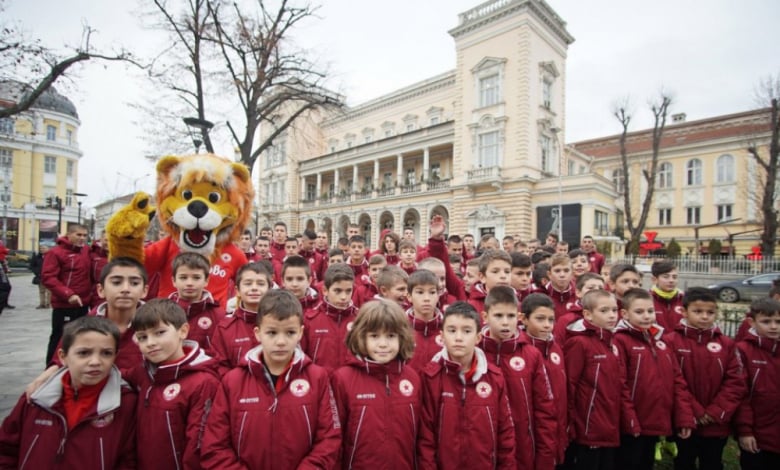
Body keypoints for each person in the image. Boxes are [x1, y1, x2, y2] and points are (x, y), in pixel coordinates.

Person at [201, 290, 341, 469]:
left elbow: (328, 439)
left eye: (290, 332)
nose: (281, 341)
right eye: (272, 333)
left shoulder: (317, 378)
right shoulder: (232, 381)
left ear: (300, 333)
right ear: (258, 333)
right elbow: (215, 446)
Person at [0, 316, 137, 469]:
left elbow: (128, 460)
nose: (95, 362)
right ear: (63, 357)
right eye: (84, 353)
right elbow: (6, 448)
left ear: (115, 356)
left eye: (106, 353)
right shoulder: (36, 398)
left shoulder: (125, 403)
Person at [418, 301, 515, 469]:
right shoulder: (430, 377)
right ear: (441, 336)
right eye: (452, 330)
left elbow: (505, 433)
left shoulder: (494, 377)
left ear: (478, 337)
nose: (458, 337)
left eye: (467, 331)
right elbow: (425, 438)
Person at [126, 298, 220, 469]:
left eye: (159, 333)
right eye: (142, 337)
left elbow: (197, 447)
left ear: (183, 331)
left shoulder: (203, 382)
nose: (151, 343)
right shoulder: (142, 374)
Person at [331, 299, 421, 469]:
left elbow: (420, 437)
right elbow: (334, 439)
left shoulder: (412, 378)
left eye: (391, 336)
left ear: (402, 337)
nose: (383, 344)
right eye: (374, 336)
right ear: (360, 336)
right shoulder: (343, 379)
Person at [663, 287, 746, 470]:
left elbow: (736, 382)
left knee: (713, 461)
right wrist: (695, 411)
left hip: (716, 422)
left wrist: (716, 411)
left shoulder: (727, 344)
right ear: (684, 312)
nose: (704, 316)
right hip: (685, 419)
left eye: (710, 312)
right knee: (684, 461)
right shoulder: (671, 341)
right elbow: (672, 380)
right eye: (698, 311)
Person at [613, 288, 694, 470]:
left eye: (650, 311)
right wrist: (630, 420)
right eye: (639, 312)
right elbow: (620, 384)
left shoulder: (660, 341)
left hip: (655, 420)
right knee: (629, 462)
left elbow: (677, 381)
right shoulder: (620, 341)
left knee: (646, 462)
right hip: (632, 424)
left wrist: (683, 417)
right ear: (624, 314)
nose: (646, 316)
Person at [479, 285, 557, 469]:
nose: (505, 322)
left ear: (519, 317)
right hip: (484, 448)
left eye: (511, 316)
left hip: (522, 446)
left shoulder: (531, 355)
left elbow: (544, 409)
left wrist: (545, 457)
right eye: (498, 316)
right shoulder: (474, 353)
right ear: (485, 317)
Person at [565, 289, 639, 470]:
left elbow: (620, 384)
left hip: (609, 426)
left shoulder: (612, 342)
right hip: (588, 427)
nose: (612, 315)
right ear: (588, 315)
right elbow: (569, 386)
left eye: (614, 310)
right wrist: (570, 424)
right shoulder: (579, 343)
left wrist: (630, 420)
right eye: (604, 311)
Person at [522, 293, 569, 468]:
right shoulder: (523, 351)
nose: (547, 325)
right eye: (540, 319)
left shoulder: (555, 348)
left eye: (551, 320)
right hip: (533, 432)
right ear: (525, 319)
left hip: (557, 429)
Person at [735, 297, 780, 470]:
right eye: (766, 321)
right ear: (751, 322)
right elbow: (741, 394)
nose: (774, 326)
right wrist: (744, 431)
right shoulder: (743, 350)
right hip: (756, 433)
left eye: (778, 321)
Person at [41, 223, 93, 365]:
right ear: (69, 235)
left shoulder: (86, 251)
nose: (82, 238)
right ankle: (51, 367)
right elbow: (48, 277)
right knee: (60, 337)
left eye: (84, 235)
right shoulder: (56, 252)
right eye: (78, 235)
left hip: (83, 303)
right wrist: (68, 294)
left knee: (80, 337)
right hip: (64, 304)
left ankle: (74, 365)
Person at [211, 262, 272, 376]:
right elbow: (219, 366)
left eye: (260, 284)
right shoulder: (225, 328)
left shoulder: (280, 322)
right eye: (248, 284)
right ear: (237, 291)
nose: (254, 288)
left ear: (269, 289)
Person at [301, 263, 358, 374]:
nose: (343, 297)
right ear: (325, 291)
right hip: (320, 383)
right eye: (337, 291)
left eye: (348, 291)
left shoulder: (360, 319)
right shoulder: (310, 319)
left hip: (351, 385)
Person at [169, 252, 226, 354]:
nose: (189, 283)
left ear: (206, 281)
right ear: (173, 281)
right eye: (183, 277)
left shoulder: (219, 315)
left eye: (196, 278)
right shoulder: (162, 313)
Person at [405, 269, 443, 372]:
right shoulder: (399, 328)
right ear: (409, 296)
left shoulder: (447, 328)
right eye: (420, 292)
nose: (426, 298)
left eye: (432, 292)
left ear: (438, 296)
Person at [469, 249, 512, 315]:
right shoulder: (471, 307)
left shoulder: (517, 304)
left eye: (507, 272)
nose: (503, 276)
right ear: (482, 277)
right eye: (495, 271)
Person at [650, 260, 685, 330]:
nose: (671, 280)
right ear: (654, 279)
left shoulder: (685, 299)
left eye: (674, 277)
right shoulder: (646, 299)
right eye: (666, 277)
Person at [544, 253, 577, 319]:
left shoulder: (579, 295)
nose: (562, 275)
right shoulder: (541, 295)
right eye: (557, 271)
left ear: (572, 274)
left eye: (566, 270)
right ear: (549, 274)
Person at [30, 243, 51, 309]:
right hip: (40, 276)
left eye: (44, 248)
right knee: (42, 291)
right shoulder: (37, 257)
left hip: (49, 276)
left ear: (48, 249)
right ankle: (42, 304)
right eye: (41, 248)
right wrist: (36, 272)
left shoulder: (52, 256)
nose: (42, 250)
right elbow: (32, 265)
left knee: (49, 291)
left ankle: (48, 304)